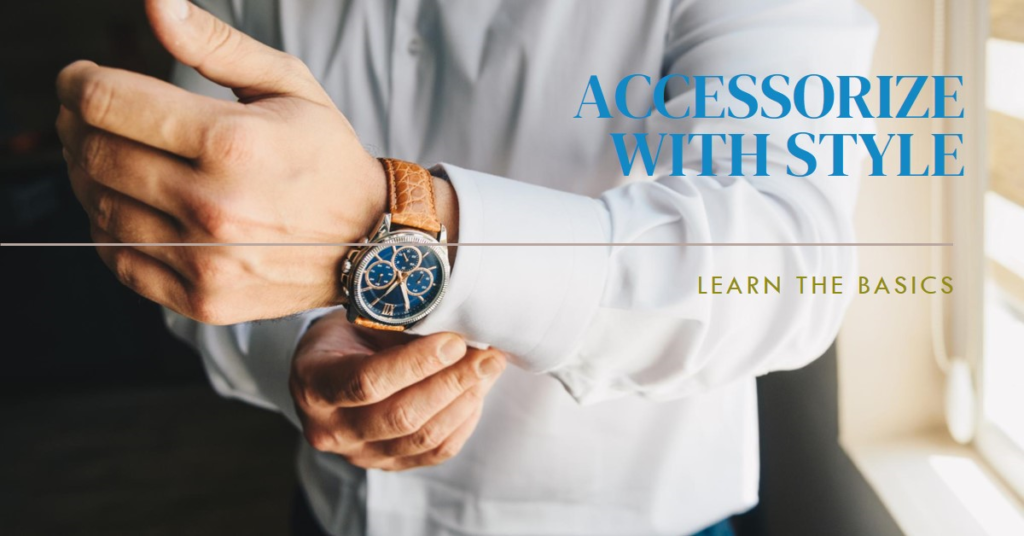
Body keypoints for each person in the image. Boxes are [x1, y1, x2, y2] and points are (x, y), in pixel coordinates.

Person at [55, 0, 877, 534]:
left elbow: (788, 260)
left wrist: (392, 229)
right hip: (331, 511)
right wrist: (294, 344)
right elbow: (195, 233)